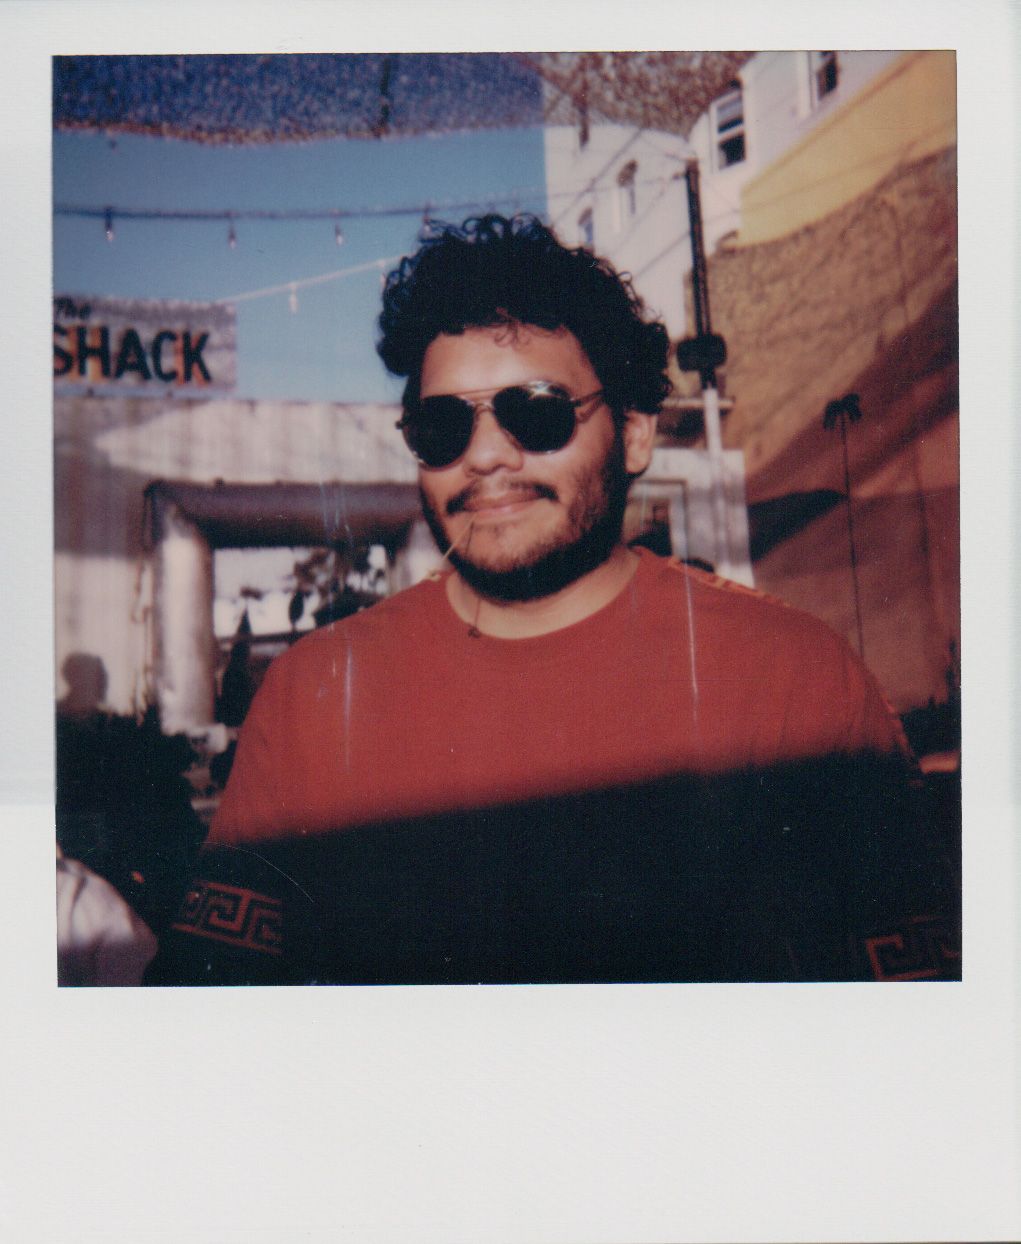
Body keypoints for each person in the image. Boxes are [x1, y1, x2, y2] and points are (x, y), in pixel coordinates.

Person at [148, 215, 958, 986]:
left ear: (634, 433)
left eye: (534, 413)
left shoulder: (794, 680)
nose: (485, 457)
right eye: (442, 426)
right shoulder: (315, 696)